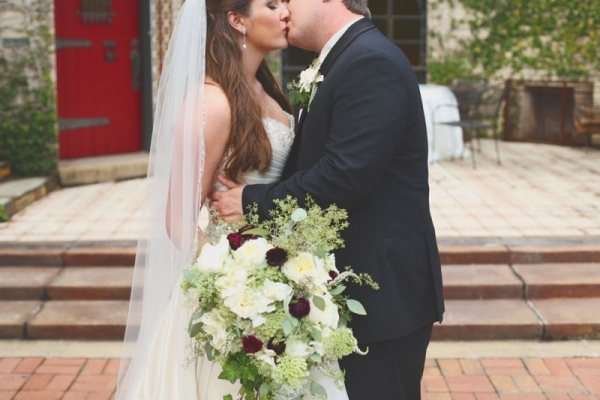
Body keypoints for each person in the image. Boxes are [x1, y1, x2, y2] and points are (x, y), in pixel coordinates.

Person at [208, 0, 445, 398]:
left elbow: (344, 176)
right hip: (352, 291)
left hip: (382, 296)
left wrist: (251, 201)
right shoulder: (343, 59)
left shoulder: (370, 61)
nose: (283, 8)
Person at [115, 0, 348, 399]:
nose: (285, 12)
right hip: (234, 293)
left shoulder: (265, 88)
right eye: (272, 4)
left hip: (278, 272)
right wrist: (236, 287)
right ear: (237, 20)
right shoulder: (212, 101)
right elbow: (177, 217)